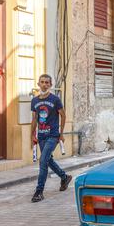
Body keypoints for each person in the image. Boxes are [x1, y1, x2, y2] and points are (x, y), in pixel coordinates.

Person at [30, 74, 72, 203]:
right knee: (48, 160)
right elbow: (34, 119)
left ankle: (39, 191)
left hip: (53, 135)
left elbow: (63, 116)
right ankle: (64, 177)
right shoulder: (35, 101)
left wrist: (61, 133)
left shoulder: (55, 100)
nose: (44, 84)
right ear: (38, 84)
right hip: (41, 136)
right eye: (42, 82)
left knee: (43, 161)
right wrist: (32, 135)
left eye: (47, 82)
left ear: (50, 85)